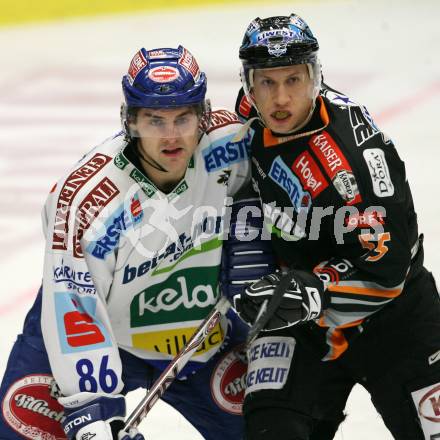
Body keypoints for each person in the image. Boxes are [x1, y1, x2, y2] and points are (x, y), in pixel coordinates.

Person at [0, 45, 275, 440]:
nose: (171, 136)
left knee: (275, 424)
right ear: (130, 120)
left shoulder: (229, 146)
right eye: (154, 120)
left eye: (184, 117)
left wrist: (250, 239)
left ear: (204, 115)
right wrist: (92, 412)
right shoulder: (89, 199)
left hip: (200, 336)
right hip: (92, 331)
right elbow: (72, 303)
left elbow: (276, 187)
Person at [232, 13, 440, 440]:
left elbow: (387, 269)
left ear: (315, 76)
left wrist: (316, 285)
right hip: (303, 325)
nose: (281, 98)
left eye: (294, 80)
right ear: (249, 83)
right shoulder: (250, 114)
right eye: (267, 82)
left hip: (395, 321)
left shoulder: (351, 164)